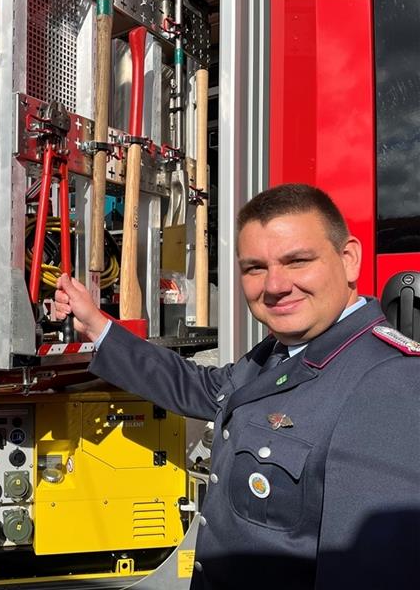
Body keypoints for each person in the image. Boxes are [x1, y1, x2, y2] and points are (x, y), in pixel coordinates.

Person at [54, 184, 419, 589]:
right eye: (255, 268)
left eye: (297, 261)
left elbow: (371, 571)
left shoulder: (389, 382)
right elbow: (205, 389)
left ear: (349, 259)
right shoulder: (284, 351)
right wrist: (99, 326)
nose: (275, 285)